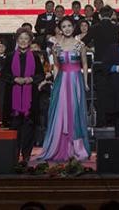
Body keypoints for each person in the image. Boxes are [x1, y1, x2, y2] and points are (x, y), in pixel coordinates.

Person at [38, 17, 90, 161]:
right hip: (61, 81)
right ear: (60, 29)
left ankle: (76, 147)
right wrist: (55, 82)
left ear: (73, 27)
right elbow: (56, 65)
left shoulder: (80, 45)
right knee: (61, 111)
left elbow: (85, 64)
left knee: (74, 111)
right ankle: (60, 145)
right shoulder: (56, 46)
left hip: (75, 80)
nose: (67, 29)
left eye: (69, 26)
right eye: (64, 26)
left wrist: (85, 82)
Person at [1, 27, 45, 163]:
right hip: (13, 99)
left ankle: (26, 155)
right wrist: (15, 79)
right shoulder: (10, 56)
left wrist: (31, 79)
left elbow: (41, 75)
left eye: (26, 39)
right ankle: (14, 155)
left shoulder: (35, 57)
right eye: (21, 38)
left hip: (30, 98)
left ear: (30, 41)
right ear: (17, 40)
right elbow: (3, 75)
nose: (23, 41)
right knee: (14, 127)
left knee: (29, 128)